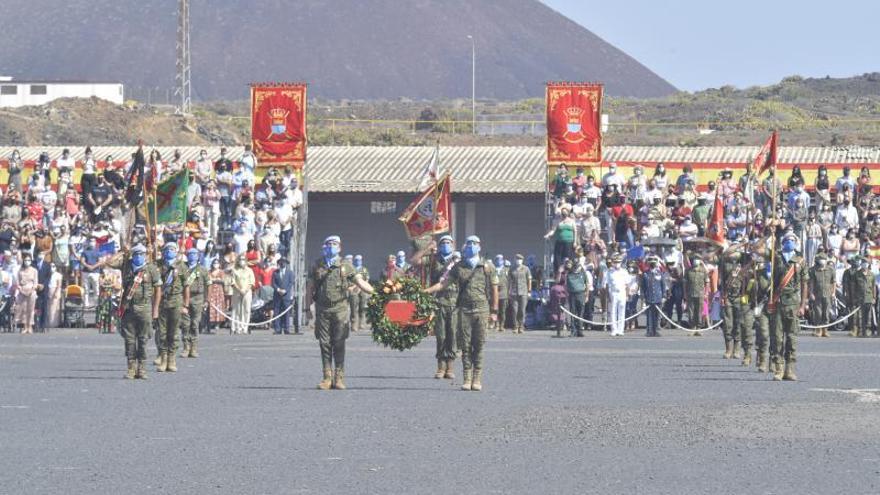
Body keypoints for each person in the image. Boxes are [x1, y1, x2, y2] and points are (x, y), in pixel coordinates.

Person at [426, 236, 498, 391]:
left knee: (478, 345)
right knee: (465, 345)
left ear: (479, 246)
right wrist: (426, 291)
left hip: (482, 309)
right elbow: (443, 283)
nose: (471, 246)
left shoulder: (487, 266)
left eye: (474, 243)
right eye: (468, 243)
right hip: (464, 310)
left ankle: (477, 378)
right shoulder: (459, 267)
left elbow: (494, 288)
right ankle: (467, 378)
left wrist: (494, 311)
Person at [306, 235, 374, 390]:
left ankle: (339, 377)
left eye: (335, 244)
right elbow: (309, 288)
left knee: (339, 342)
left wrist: (376, 293)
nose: (331, 246)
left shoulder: (346, 265)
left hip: (340, 309)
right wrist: (307, 309)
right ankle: (326, 377)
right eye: (329, 244)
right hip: (322, 309)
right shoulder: (317, 264)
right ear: (324, 247)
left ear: (340, 247)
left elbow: (360, 282)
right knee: (324, 344)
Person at [412, 235, 459, 379]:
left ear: (453, 245)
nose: (446, 244)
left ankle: (450, 367)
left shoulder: (458, 261)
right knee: (440, 335)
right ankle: (440, 366)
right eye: (443, 242)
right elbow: (414, 261)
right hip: (438, 301)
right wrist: (427, 248)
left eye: (448, 242)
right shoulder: (433, 259)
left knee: (452, 335)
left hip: (455, 301)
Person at [114, 244, 161, 380]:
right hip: (128, 308)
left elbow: (158, 290)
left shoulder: (151, 269)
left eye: (141, 254)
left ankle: (142, 369)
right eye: (136, 254)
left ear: (145, 255)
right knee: (129, 340)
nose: (138, 257)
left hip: (145, 308)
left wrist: (155, 309)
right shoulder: (126, 266)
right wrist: (123, 252)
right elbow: (109, 262)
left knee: (143, 339)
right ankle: (131, 368)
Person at [767, 232, 808, 381]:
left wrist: (803, 305)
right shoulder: (776, 256)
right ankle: (778, 368)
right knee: (777, 337)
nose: (789, 241)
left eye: (792, 239)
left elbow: (804, 283)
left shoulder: (800, 260)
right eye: (787, 240)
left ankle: (789, 369)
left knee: (791, 338)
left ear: (796, 242)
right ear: (782, 242)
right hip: (778, 302)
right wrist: (770, 234)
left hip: (793, 303)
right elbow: (758, 250)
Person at [155, 242, 190, 373]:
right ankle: (163, 358)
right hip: (162, 302)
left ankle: (171, 359)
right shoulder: (158, 265)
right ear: (163, 252)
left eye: (173, 249)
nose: (170, 251)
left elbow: (186, 287)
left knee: (174, 333)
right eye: (167, 249)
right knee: (162, 333)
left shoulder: (181, 266)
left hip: (176, 302)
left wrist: (185, 305)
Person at [180, 248, 208, 358]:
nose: (192, 256)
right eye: (190, 254)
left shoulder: (202, 269)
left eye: (195, 254)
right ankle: (186, 347)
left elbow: (208, 284)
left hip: (198, 298)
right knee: (185, 324)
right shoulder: (183, 268)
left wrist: (207, 300)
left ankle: (194, 347)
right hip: (184, 298)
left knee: (195, 324)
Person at [809, 252, 836, 338]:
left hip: (827, 294)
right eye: (820, 259)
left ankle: (825, 330)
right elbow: (811, 283)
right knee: (818, 313)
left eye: (824, 259)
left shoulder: (831, 269)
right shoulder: (813, 270)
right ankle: (818, 330)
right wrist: (811, 293)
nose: (822, 261)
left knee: (826, 313)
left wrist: (833, 292)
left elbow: (833, 282)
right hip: (817, 294)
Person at [849, 256, 876, 338]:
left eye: (866, 263)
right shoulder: (856, 274)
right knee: (860, 316)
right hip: (859, 298)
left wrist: (874, 297)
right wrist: (854, 297)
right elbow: (853, 287)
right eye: (863, 263)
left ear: (868, 264)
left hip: (869, 297)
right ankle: (860, 331)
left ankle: (867, 330)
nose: (865, 265)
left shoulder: (872, 274)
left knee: (868, 316)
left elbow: (873, 286)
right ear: (861, 264)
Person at [604, 254, 630, 337]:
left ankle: (620, 329)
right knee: (613, 312)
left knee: (622, 312)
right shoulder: (609, 271)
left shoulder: (624, 272)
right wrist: (608, 295)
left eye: (618, 262)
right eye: (615, 262)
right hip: (613, 293)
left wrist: (627, 295)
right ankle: (614, 329)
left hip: (622, 292)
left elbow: (627, 284)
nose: (617, 264)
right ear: (613, 263)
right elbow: (607, 284)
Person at [641, 255, 666, 337]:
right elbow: (643, 286)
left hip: (658, 296)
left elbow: (663, 285)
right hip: (649, 296)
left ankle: (656, 330)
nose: (652, 264)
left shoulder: (659, 273)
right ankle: (649, 330)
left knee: (657, 315)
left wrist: (664, 296)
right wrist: (643, 297)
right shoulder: (645, 274)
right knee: (649, 315)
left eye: (654, 263)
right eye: (651, 263)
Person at [230, 254, 255, 335]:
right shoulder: (234, 270)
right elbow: (233, 282)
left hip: (247, 292)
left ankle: (245, 327)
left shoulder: (249, 270)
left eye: (243, 259)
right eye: (240, 259)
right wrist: (239, 290)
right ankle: (236, 328)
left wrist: (245, 290)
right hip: (237, 291)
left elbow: (251, 282)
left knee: (246, 310)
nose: (242, 261)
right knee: (237, 310)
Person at [684, 255, 708, 336]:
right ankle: (692, 328)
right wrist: (685, 293)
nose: (696, 261)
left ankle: (698, 328)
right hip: (690, 293)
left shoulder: (703, 271)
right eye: (695, 259)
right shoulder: (688, 271)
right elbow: (685, 283)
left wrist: (706, 293)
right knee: (691, 311)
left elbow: (707, 282)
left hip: (700, 294)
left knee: (699, 311)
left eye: (697, 259)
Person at [508, 254, 532, 334]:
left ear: (522, 260)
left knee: (522, 310)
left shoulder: (526, 269)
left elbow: (529, 280)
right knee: (514, 310)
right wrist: (509, 291)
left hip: (524, 292)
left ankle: (521, 326)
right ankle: (515, 326)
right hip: (514, 292)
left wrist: (529, 291)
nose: (518, 260)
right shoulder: (512, 269)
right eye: (517, 259)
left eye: (520, 259)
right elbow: (509, 281)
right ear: (515, 260)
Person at [15, 253, 39, 334]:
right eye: (26, 260)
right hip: (22, 291)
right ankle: (25, 326)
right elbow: (17, 283)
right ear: (23, 261)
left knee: (31, 309)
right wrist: (20, 289)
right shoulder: (20, 271)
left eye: (29, 260)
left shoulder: (34, 270)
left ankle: (30, 326)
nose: (27, 261)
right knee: (24, 309)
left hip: (31, 291)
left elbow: (36, 283)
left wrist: (32, 290)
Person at [564, 258, 588, 337]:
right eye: (575, 266)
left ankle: (580, 330)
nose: (576, 267)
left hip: (581, 294)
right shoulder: (569, 273)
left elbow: (587, 284)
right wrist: (567, 295)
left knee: (580, 313)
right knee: (573, 313)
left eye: (577, 265)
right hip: (572, 295)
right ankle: (573, 330)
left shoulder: (582, 273)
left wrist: (586, 295)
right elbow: (566, 285)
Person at [271, 257, 295, 335]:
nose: (282, 263)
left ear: (286, 263)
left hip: (286, 295)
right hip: (277, 295)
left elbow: (291, 283)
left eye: (284, 262)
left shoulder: (290, 273)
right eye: (281, 262)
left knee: (286, 313)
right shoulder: (275, 272)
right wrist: (278, 290)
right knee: (277, 312)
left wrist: (285, 290)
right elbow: (273, 283)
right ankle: (277, 329)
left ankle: (286, 328)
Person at [347, 254, 369, 332]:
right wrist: (353, 287)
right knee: (353, 308)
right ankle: (353, 324)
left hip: (362, 290)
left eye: (359, 260)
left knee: (362, 307)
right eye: (356, 260)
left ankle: (361, 323)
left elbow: (366, 280)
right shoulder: (351, 269)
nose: (358, 262)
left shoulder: (364, 269)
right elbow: (348, 280)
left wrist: (360, 287)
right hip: (353, 291)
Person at [493, 254, 509, 331]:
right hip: (495, 294)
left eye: (501, 259)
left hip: (504, 293)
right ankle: (496, 324)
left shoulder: (506, 270)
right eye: (498, 259)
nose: (499, 261)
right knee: (495, 310)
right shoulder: (493, 269)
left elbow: (509, 282)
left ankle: (502, 325)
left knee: (503, 311)